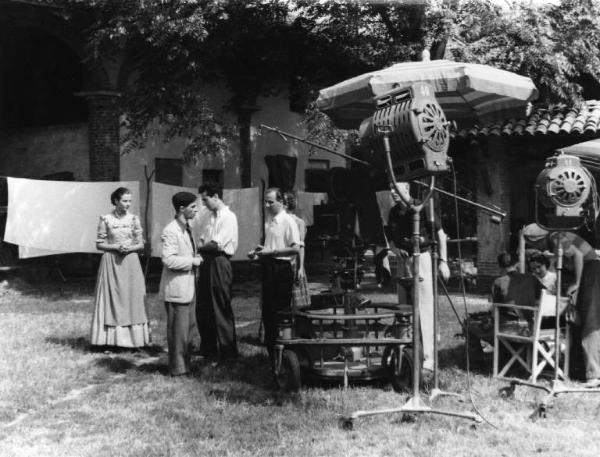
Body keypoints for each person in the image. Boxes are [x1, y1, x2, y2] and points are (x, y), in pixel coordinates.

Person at [386, 183, 450, 374]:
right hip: (402, 261)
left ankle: (428, 358)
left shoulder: (422, 207)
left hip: (421, 258)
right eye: (391, 190)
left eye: (396, 190)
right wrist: (395, 249)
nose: (393, 194)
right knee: (403, 309)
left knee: (424, 309)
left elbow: (441, 235)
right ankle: (406, 353)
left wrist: (444, 261)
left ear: (407, 191)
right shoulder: (393, 212)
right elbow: (390, 236)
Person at [91, 187, 149, 349]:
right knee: (114, 299)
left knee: (132, 297)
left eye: (130, 201)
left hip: (130, 262)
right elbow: (99, 244)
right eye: (124, 201)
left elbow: (141, 243)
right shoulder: (106, 219)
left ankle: (134, 340)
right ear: (116, 201)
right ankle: (110, 341)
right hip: (112, 262)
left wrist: (130, 248)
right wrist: (115, 246)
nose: (128, 204)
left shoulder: (133, 219)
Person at [249, 187, 300, 357]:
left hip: (282, 270)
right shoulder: (271, 222)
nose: (266, 205)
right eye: (265, 201)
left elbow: (295, 249)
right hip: (269, 267)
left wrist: (271, 252)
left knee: (280, 312)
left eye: (270, 202)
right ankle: (272, 352)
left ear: (282, 202)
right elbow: (272, 248)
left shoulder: (288, 221)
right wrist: (259, 253)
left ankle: (284, 351)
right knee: (268, 311)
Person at [467, 252, 542, 365]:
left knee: (469, 324)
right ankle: (510, 355)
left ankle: (477, 363)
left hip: (509, 330)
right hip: (531, 328)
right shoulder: (531, 278)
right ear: (517, 264)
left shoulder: (498, 282)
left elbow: (495, 309)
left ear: (500, 266)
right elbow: (542, 298)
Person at [159, 192, 203, 376]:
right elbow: (168, 260)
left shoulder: (187, 228)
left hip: (188, 287)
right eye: (193, 207)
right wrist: (192, 261)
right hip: (177, 287)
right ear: (181, 209)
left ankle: (186, 365)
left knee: (187, 330)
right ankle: (178, 370)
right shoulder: (171, 230)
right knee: (178, 332)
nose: (196, 210)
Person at [196, 183, 239, 362]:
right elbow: (203, 238)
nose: (204, 204)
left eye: (205, 199)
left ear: (215, 196)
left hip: (220, 262)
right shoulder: (209, 217)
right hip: (207, 262)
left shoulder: (228, 217)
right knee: (204, 307)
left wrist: (198, 247)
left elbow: (216, 244)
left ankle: (228, 353)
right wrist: (201, 246)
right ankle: (208, 350)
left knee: (220, 306)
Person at [283, 191, 309, 308]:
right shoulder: (280, 221)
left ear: (286, 204)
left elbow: (301, 246)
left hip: (294, 262)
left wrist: (301, 267)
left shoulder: (299, 222)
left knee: (296, 300)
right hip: (282, 261)